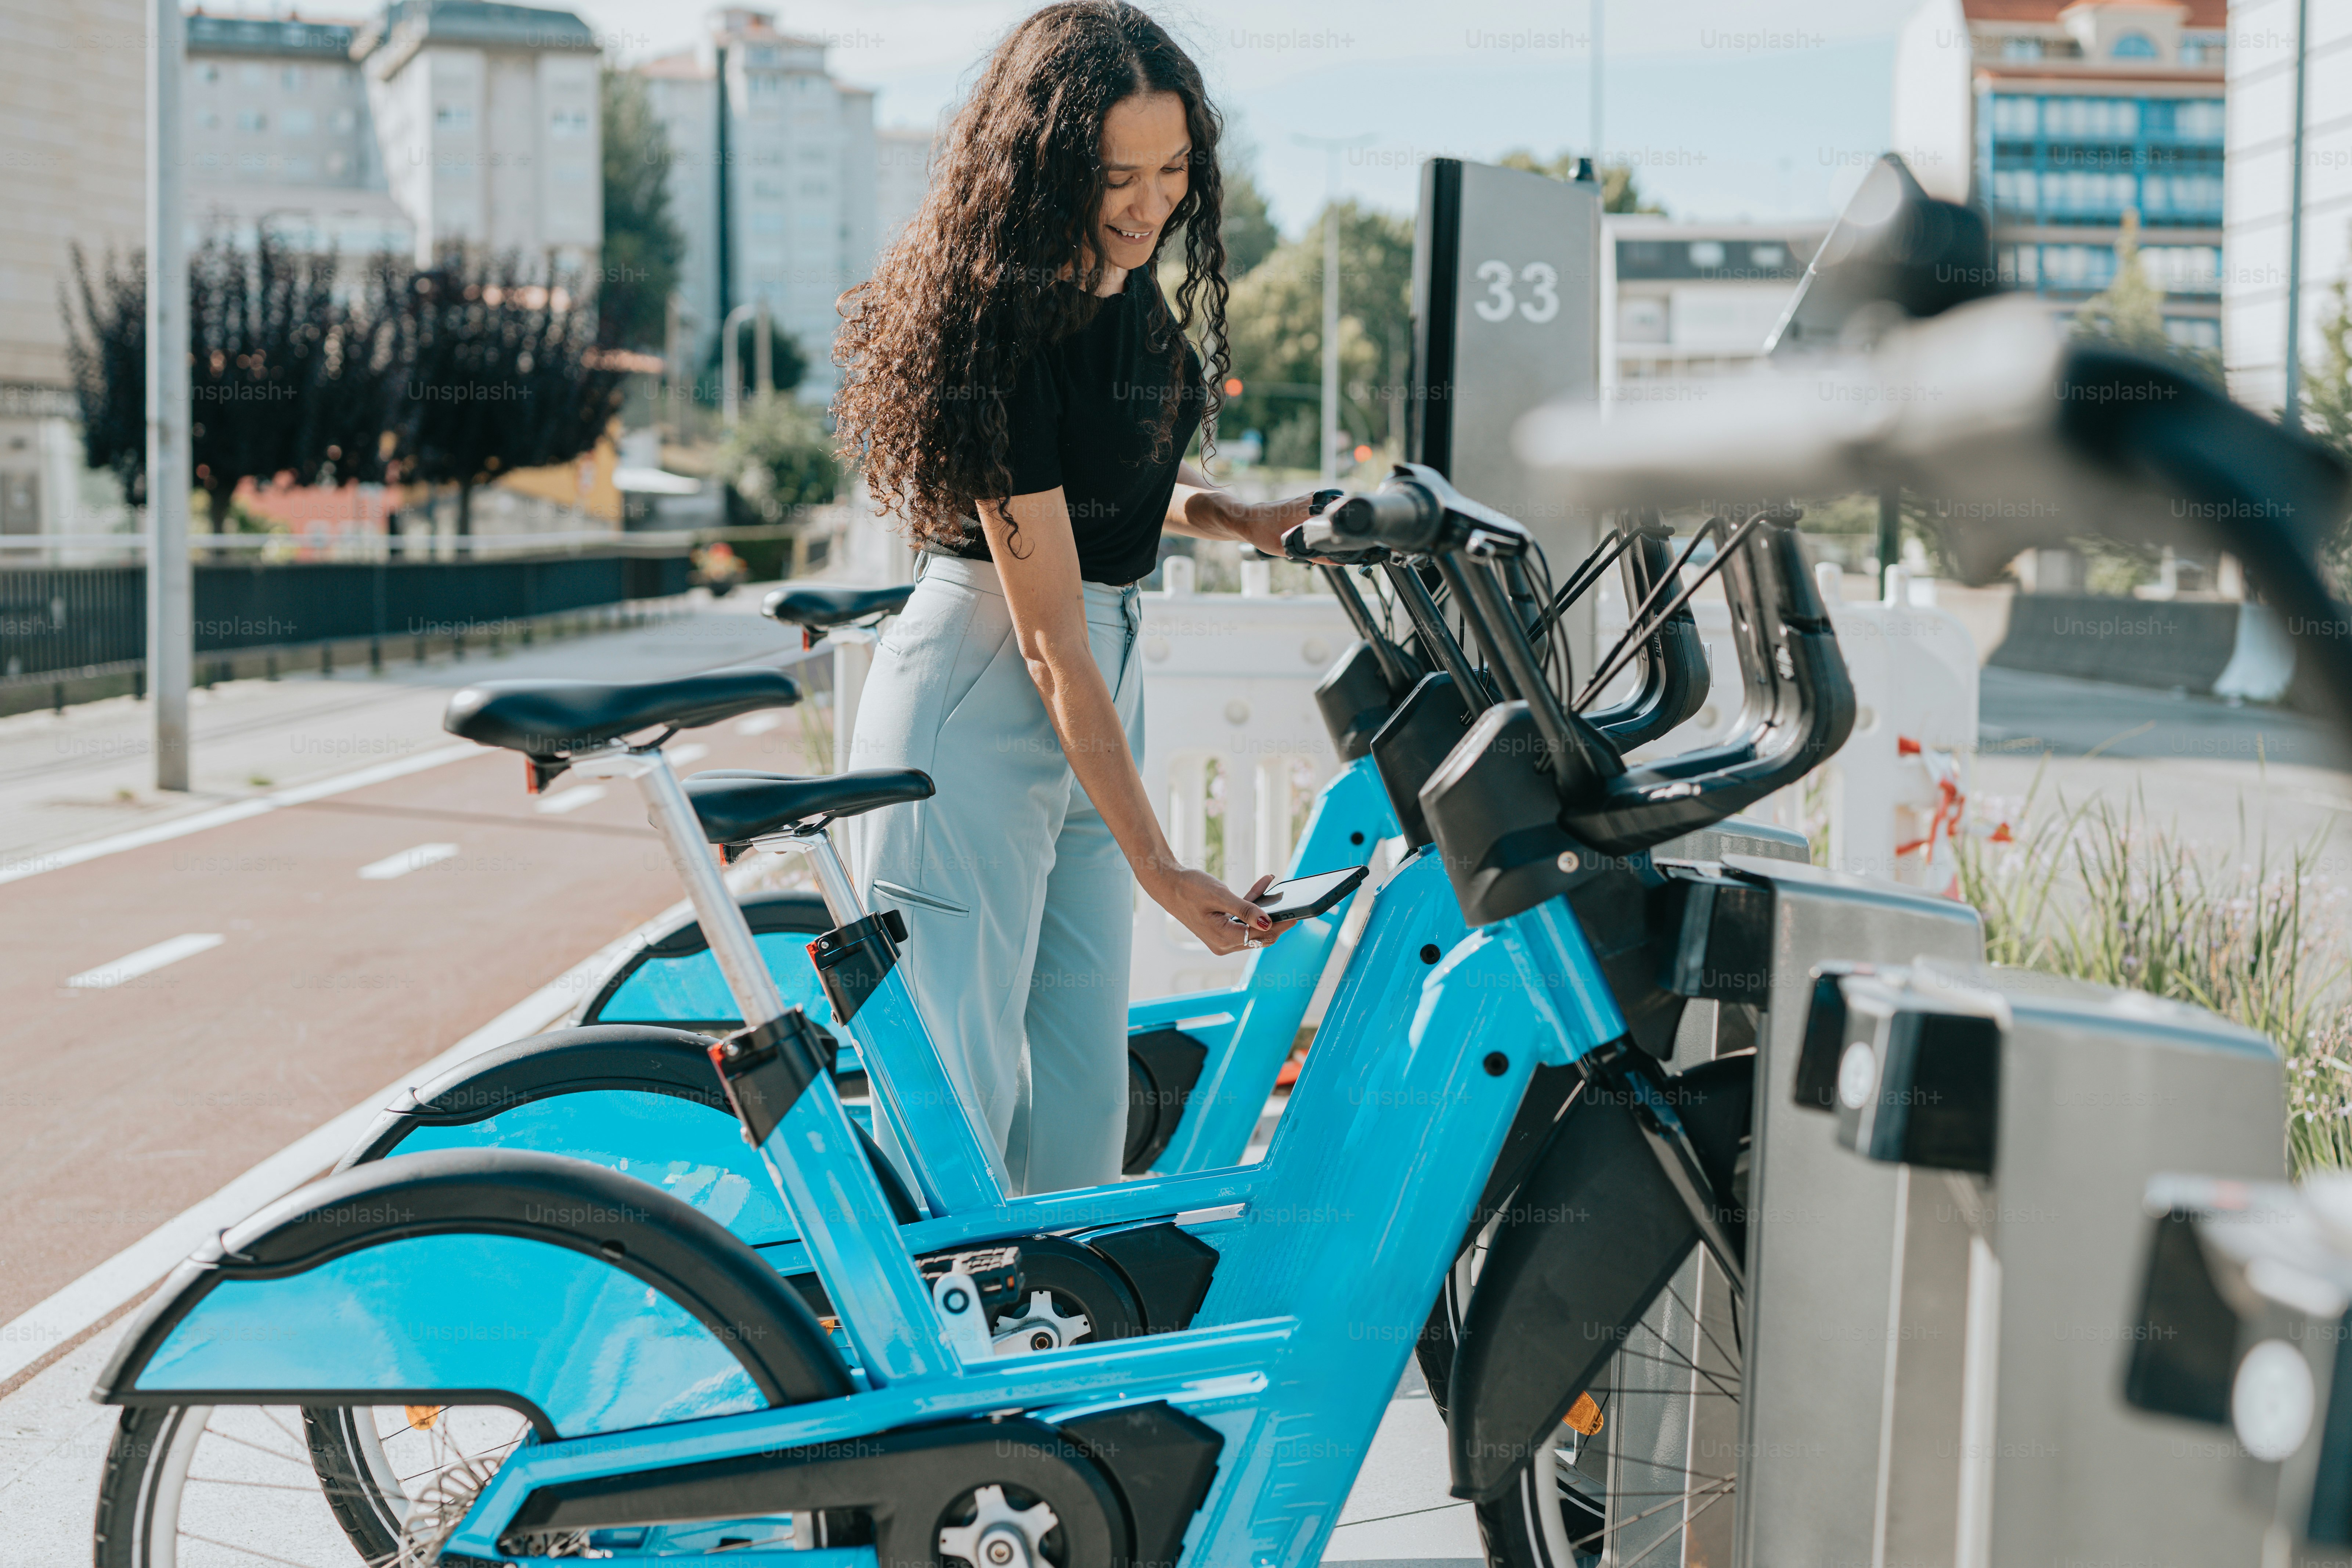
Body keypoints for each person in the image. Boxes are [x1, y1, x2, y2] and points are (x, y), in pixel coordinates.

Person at [830, 1, 1321, 1195]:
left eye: (1172, 170)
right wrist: (1166, 868)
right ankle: (938, 1367)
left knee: (1082, 1086)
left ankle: (1059, 1348)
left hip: (1098, 672)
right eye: (1118, 177)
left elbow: (1114, 491)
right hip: (987, 691)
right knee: (962, 1094)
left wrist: (1241, 519)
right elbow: (1047, 641)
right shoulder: (996, 335)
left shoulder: (1124, 293)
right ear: (1046, 169)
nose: (1151, 203)